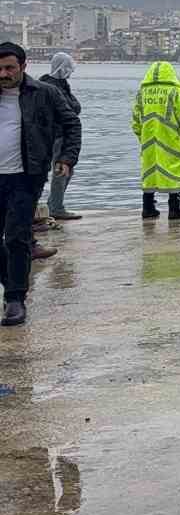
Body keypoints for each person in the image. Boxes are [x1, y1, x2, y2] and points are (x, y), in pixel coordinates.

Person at [0, 42, 81, 327]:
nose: (3, 74)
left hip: (25, 176)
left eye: (9, 67)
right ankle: (12, 282)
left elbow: (72, 123)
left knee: (17, 237)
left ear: (24, 66)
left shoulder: (44, 94)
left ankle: (14, 300)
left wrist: (67, 157)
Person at [131, 61, 180, 220]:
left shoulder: (143, 91)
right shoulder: (173, 91)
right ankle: (174, 209)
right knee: (173, 172)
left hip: (149, 140)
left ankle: (148, 208)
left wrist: (142, 135)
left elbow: (136, 117)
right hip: (170, 138)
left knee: (149, 173)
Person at [38, 53, 82, 221]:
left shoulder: (61, 85)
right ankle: (56, 207)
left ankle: (53, 205)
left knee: (66, 171)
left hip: (63, 135)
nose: (70, 72)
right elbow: (71, 108)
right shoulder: (51, 86)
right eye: (69, 68)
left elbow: (74, 107)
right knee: (61, 171)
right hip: (56, 136)